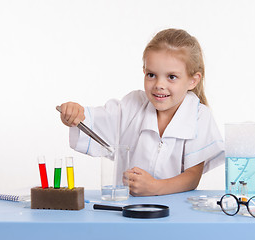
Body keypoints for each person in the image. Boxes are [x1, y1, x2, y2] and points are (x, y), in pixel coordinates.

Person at [58, 28, 224, 196]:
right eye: (151, 75)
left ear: (193, 80)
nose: (159, 84)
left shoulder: (199, 115)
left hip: (174, 212)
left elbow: (192, 177)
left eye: (171, 77)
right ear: (144, 71)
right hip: (127, 208)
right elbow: (93, 122)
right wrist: (74, 114)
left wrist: (155, 187)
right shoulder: (132, 105)